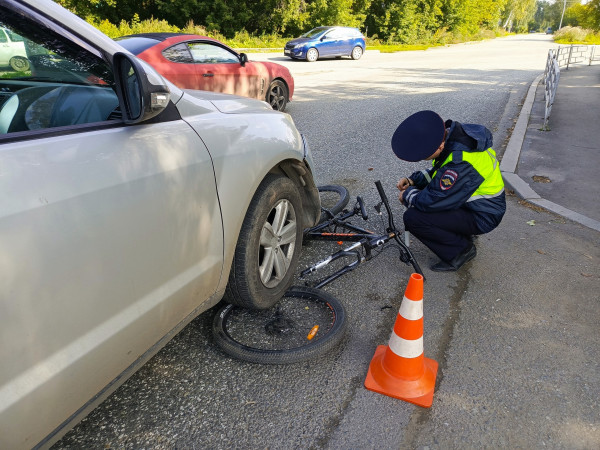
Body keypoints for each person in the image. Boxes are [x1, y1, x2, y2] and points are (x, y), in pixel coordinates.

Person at [392, 110, 506, 272]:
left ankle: (461, 251)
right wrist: (413, 180)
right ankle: (459, 234)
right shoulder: (456, 138)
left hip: (483, 216)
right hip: (476, 205)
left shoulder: (461, 163)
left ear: (440, 146)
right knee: (419, 197)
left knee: (414, 218)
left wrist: (408, 195)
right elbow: (439, 174)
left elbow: (433, 200)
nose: (424, 159)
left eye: (425, 156)